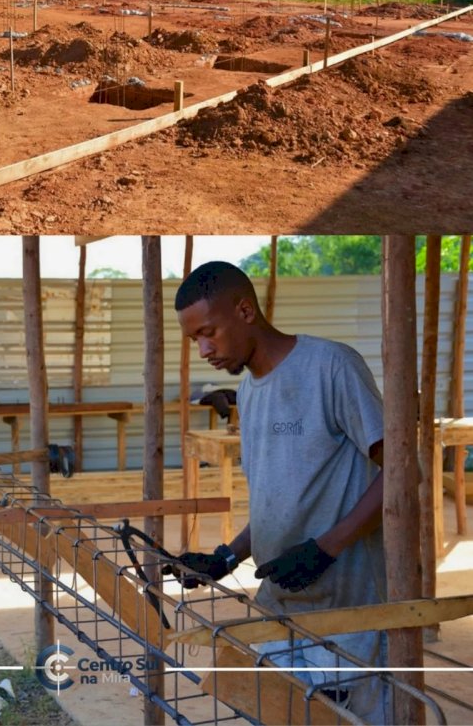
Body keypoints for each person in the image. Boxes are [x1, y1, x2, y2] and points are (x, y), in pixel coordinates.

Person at [171, 261, 388, 724]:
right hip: (279, 610)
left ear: (245, 310)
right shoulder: (248, 391)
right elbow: (280, 497)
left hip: (345, 615)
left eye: (209, 332)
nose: (204, 350)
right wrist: (227, 557)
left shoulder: (331, 366)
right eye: (195, 340)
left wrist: (327, 548)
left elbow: (404, 474)